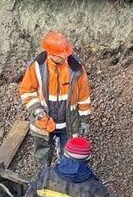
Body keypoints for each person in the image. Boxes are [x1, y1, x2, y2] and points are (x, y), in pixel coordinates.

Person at [18, 31, 93, 166]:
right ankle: (44, 175)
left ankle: (65, 180)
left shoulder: (76, 69)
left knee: (68, 158)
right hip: (44, 122)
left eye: (66, 55)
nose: (65, 58)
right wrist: (37, 111)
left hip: (68, 124)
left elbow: (83, 97)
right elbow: (27, 90)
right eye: (61, 56)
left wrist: (84, 121)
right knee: (43, 155)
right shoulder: (37, 67)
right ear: (50, 54)